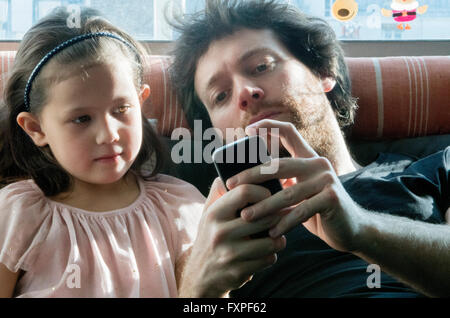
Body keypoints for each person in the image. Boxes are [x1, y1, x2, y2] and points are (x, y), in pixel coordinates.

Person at [169, 0, 450, 297]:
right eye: (220, 95)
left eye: (262, 66)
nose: (244, 94)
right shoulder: (210, 233)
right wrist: (198, 294)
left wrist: (362, 229)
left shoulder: (437, 167)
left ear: (322, 71)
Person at [0, 7, 206, 297]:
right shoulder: (18, 215)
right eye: (82, 119)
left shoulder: (180, 209)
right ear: (36, 128)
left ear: (142, 103)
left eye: (121, 109)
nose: (109, 134)